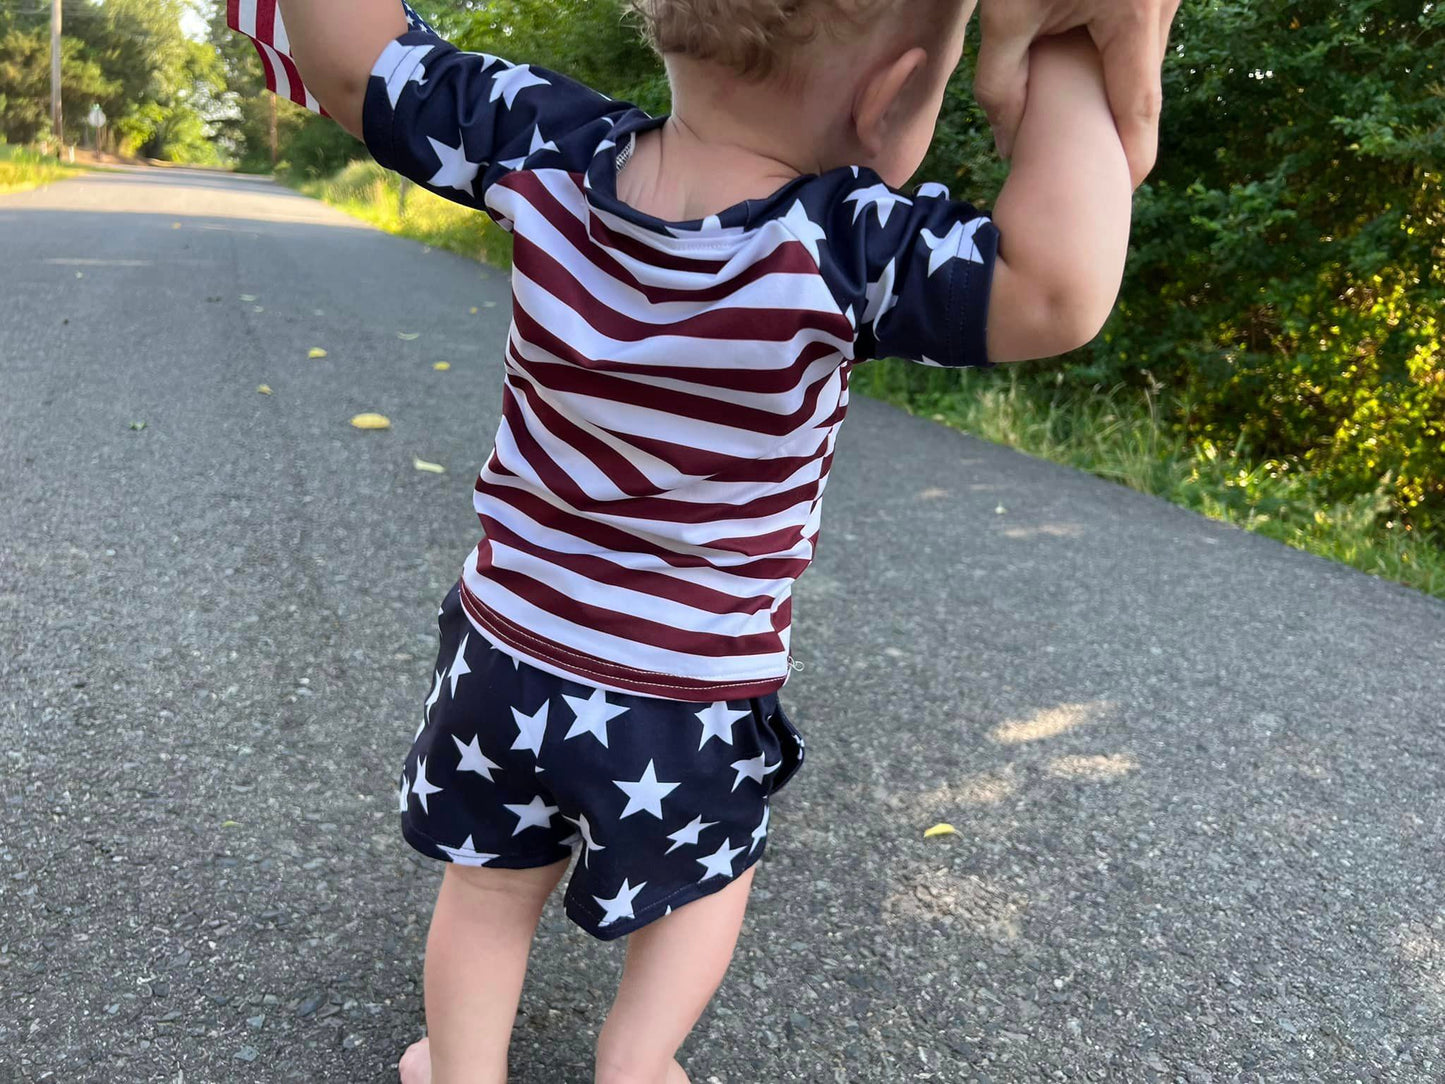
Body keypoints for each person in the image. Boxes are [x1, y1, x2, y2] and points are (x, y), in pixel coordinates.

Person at [275, 0, 1148, 1080]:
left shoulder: (545, 147)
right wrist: (1061, 49)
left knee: (490, 885)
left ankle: (459, 1069)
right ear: (889, 98)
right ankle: (635, 1063)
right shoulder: (843, 246)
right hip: (685, 690)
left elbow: (358, 67)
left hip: (501, 651)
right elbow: (1056, 287)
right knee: (704, 881)